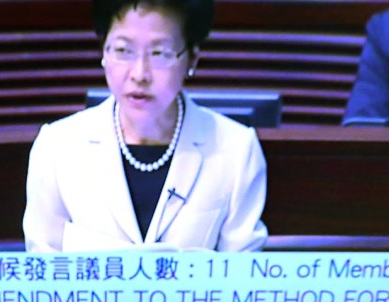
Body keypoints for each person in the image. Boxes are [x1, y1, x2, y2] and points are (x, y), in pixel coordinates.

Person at [23, 0, 268, 253]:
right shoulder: (56, 147)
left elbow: (243, 279)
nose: (140, 74)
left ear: (192, 59)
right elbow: (43, 273)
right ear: (103, 53)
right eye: (123, 50)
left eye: (159, 53)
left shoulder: (237, 150)